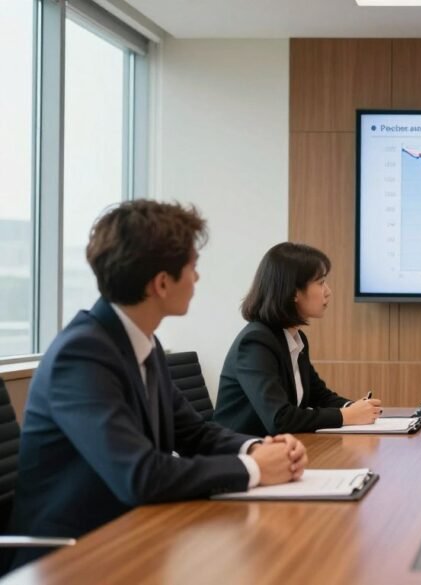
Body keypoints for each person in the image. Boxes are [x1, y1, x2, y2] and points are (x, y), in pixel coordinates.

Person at [8, 201, 306, 568]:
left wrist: (261, 447)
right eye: (192, 268)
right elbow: (141, 474)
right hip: (69, 556)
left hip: (131, 535)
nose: (197, 279)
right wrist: (256, 470)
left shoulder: (141, 343)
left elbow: (195, 433)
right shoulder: (82, 354)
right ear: (162, 283)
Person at [214, 243, 382, 435]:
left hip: (278, 449)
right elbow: (280, 418)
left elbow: (318, 395)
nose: (328, 291)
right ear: (293, 292)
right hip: (242, 455)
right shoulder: (255, 343)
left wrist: (355, 407)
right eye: (320, 283)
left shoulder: (294, 337)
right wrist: (346, 416)